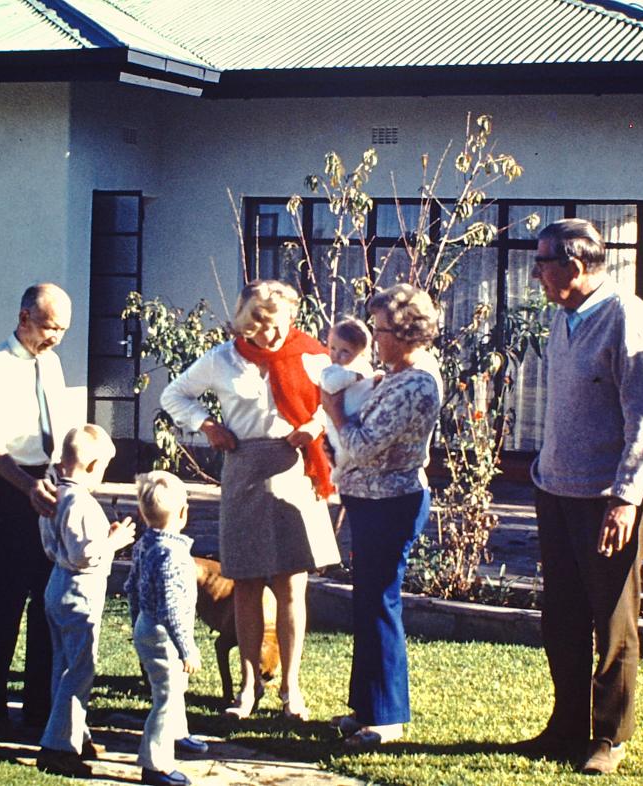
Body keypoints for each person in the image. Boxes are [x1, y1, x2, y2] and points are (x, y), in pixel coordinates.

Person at [520, 218, 643, 776]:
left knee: (610, 618)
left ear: (575, 266)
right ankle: (564, 728)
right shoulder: (565, 317)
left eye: (542, 264)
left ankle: (610, 736)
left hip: (609, 497)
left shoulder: (628, 317)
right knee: (561, 615)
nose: (536, 275)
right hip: (557, 488)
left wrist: (626, 498)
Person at [160, 279, 340, 721]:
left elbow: (335, 401)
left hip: (294, 468)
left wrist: (315, 428)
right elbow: (174, 395)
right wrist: (206, 425)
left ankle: (290, 690)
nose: (268, 336)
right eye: (257, 327)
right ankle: (247, 690)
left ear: (290, 318)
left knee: (291, 587)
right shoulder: (223, 359)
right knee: (246, 584)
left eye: (275, 325)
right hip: (242, 469)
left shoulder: (313, 355)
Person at [321, 284, 443, 750]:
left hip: (390, 504)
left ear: (407, 332)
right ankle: (366, 707)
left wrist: (333, 409)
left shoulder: (415, 382)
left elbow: (361, 445)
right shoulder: (395, 373)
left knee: (381, 604)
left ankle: (388, 717)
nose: (374, 336)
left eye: (381, 328)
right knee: (367, 603)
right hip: (370, 500)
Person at [0, 282, 73, 734]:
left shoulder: (51, 364)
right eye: (50, 327)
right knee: (2, 601)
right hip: (4, 487)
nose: (55, 337)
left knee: (46, 598)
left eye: (62, 330)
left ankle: (38, 706)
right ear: (24, 317)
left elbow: (60, 428)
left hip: (44, 486)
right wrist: (27, 487)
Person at [34, 424, 136, 776]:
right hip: (79, 590)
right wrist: (115, 541)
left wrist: (100, 539)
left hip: (56, 586)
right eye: (104, 468)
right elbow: (83, 555)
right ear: (92, 466)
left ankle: (75, 733)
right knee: (79, 670)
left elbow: (58, 545)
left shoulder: (55, 495)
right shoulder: (80, 502)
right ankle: (58, 747)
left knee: (64, 666)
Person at [126, 471, 204, 786]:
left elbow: (131, 585)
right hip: (163, 632)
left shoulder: (145, 543)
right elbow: (171, 609)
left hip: (147, 622)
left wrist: (135, 621)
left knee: (175, 686)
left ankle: (178, 732)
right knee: (167, 695)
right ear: (183, 513)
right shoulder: (173, 555)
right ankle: (155, 763)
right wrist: (187, 648)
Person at [319, 317, 380, 483]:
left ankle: (344, 471)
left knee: (355, 449)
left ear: (361, 354)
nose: (336, 355)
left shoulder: (363, 368)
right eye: (332, 348)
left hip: (359, 417)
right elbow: (330, 385)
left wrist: (375, 379)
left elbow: (368, 385)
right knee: (341, 448)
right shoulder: (331, 371)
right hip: (338, 418)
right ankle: (337, 471)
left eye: (345, 351)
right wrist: (353, 377)